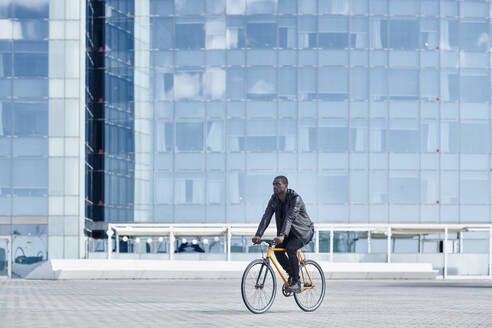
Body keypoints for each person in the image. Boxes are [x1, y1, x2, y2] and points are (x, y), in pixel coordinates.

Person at [252, 176, 314, 293]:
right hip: (288, 233)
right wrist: (258, 234)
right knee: (277, 250)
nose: (275, 186)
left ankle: (296, 282)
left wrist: (282, 235)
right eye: (273, 184)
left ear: (285, 186)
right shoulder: (274, 199)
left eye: (278, 184)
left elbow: (289, 218)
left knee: (290, 248)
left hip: (303, 232)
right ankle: (292, 274)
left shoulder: (295, 199)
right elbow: (266, 216)